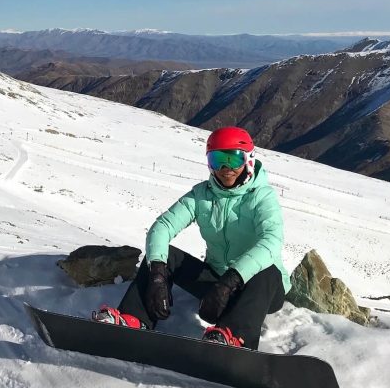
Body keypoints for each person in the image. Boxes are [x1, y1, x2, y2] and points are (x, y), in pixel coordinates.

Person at [93, 126, 290, 349]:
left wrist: (231, 280)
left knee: (268, 270)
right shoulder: (202, 195)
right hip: (217, 283)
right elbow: (162, 227)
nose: (225, 169)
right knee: (163, 255)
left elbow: (271, 241)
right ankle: (134, 318)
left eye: (233, 159)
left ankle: (235, 338)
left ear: (248, 160)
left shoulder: (262, 196)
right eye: (217, 160)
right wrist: (157, 274)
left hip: (262, 290)